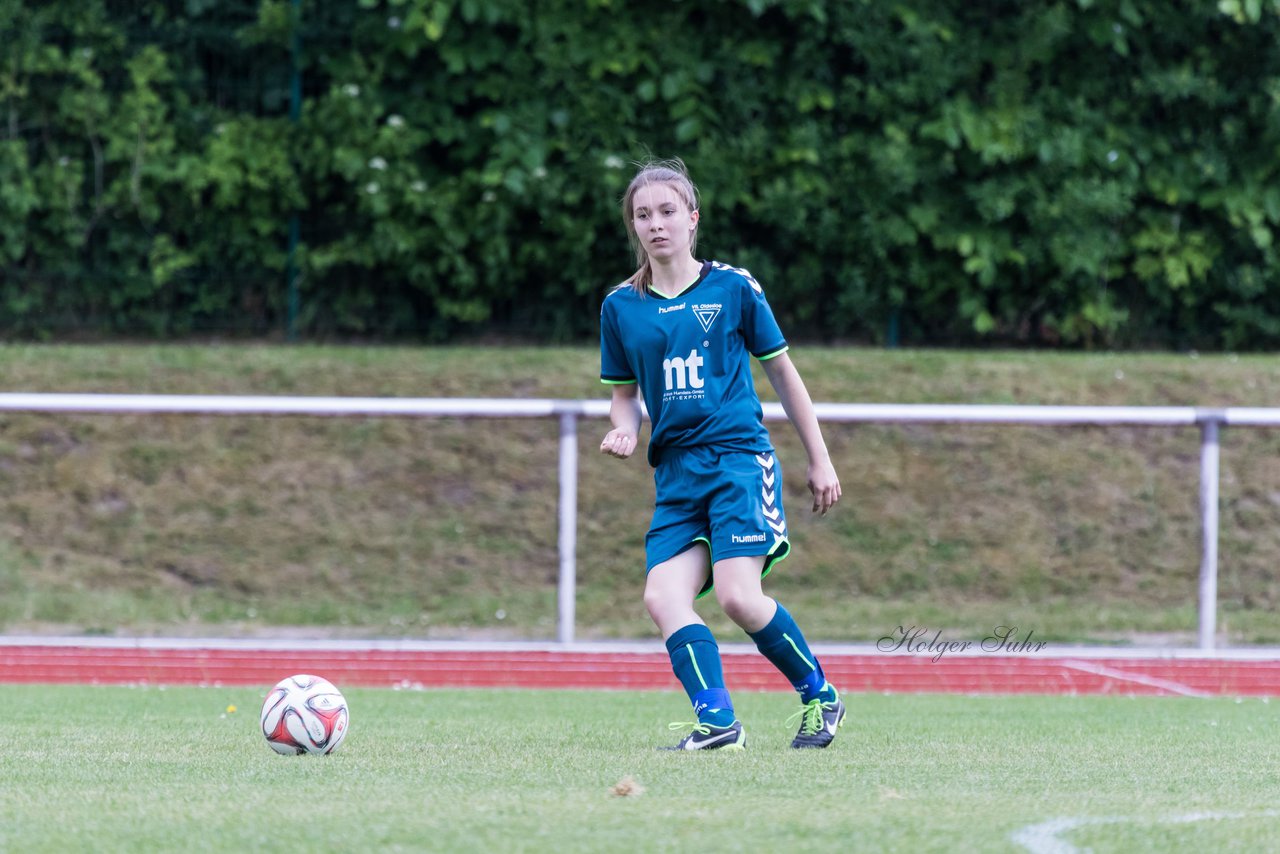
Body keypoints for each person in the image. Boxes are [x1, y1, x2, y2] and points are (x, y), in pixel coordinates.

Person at [598, 158, 845, 750]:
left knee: (738, 595)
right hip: (677, 475)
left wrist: (820, 458)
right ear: (633, 226)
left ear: (692, 218)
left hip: (737, 461)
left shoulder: (733, 287)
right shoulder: (620, 307)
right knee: (662, 597)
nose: (655, 224)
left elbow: (784, 375)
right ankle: (718, 723)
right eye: (642, 214)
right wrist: (625, 429)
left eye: (666, 211)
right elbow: (624, 397)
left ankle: (821, 696)